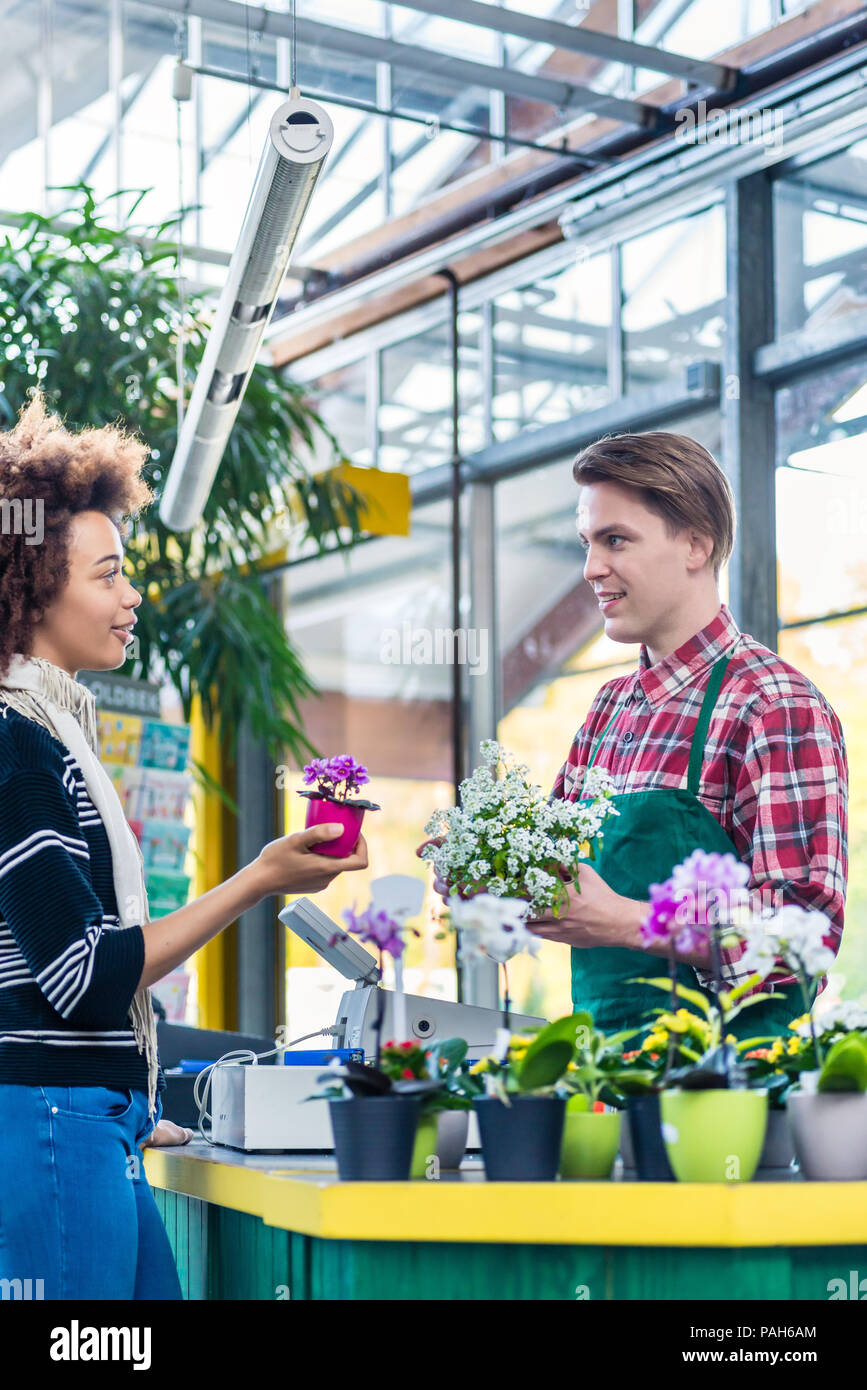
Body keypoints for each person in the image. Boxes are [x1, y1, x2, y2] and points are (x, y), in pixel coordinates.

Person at [0, 393, 368, 1300]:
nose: (132, 597)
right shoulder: (16, 742)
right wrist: (259, 879)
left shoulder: (55, 733)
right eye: (109, 575)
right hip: (48, 1125)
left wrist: (134, 1099)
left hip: (87, 1122)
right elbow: (81, 977)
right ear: (32, 586)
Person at [529, 431, 848, 1036]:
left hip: (728, 1093)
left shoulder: (773, 706)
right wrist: (491, 880)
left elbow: (801, 936)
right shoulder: (607, 710)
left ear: (696, 545)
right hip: (606, 1078)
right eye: (587, 543)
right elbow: (561, 886)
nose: (592, 568)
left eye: (615, 540)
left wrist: (630, 921)